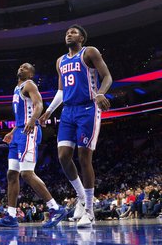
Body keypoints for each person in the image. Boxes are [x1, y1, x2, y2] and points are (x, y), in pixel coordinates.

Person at [39, 25, 112, 228]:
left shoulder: (89, 52)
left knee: (84, 157)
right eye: (66, 33)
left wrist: (101, 93)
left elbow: (107, 76)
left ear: (82, 37)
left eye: (73, 32)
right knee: (63, 156)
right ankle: (80, 196)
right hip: (68, 111)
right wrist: (49, 110)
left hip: (88, 108)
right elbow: (62, 91)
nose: (68, 34)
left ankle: (89, 210)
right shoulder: (60, 61)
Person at [0, 63, 67, 228]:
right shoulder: (16, 88)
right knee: (12, 174)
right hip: (19, 131)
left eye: (25, 67)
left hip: (29, 132)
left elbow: (39, 104)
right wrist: (12, 132)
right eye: (20, 66)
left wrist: (33, 121)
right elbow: (22, 114)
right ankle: (11, 216)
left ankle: (56, 208)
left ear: (31, 74)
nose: (21, 68)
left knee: (26, 173)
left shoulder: (29, 85)